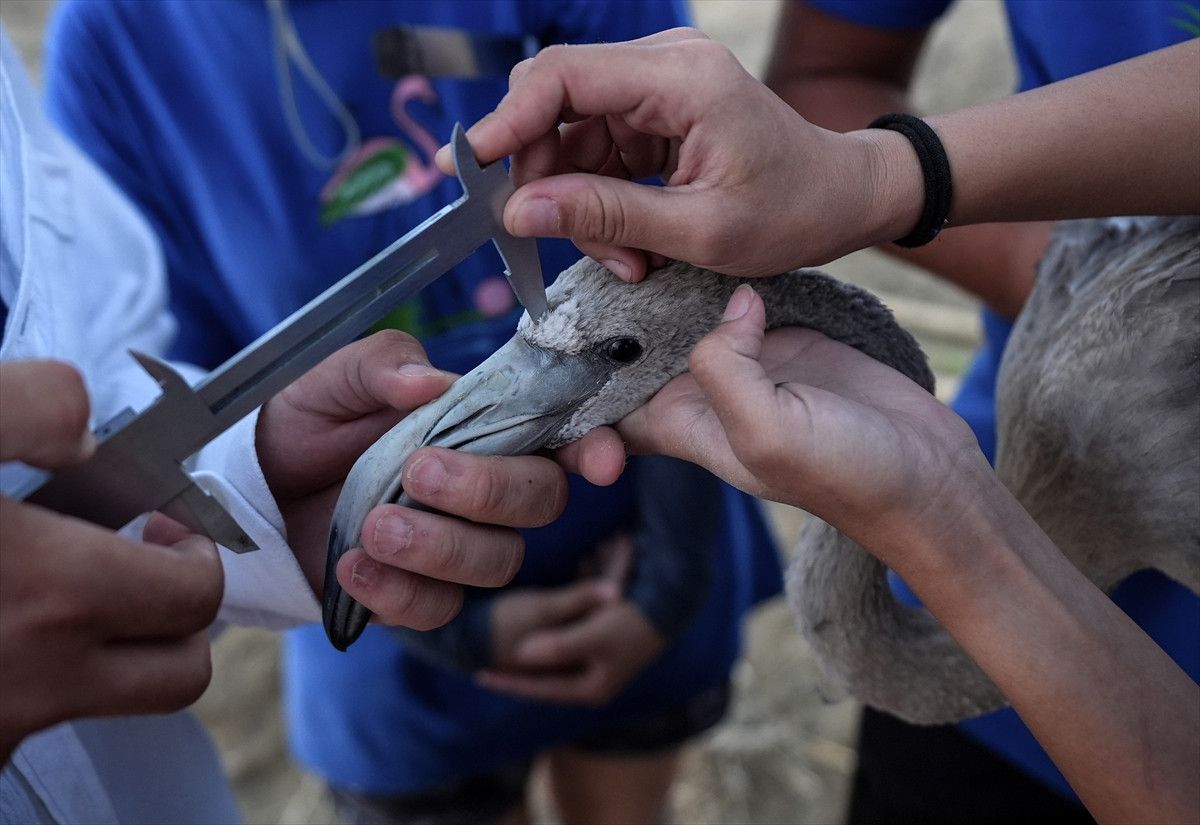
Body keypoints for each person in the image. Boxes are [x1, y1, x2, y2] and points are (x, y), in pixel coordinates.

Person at [424, 29, 1200, 825]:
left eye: (617, 352)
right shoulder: (1083, 376)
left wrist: (882, 178)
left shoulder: (1168, 457)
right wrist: (879, 178)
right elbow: (833, 68)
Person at [43, 3, 782, 823]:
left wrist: (665, 592)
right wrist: (442, 625)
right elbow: (188, 407)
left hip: (650, 555)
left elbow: (691, 266)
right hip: (393, 657)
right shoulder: (113, 45)